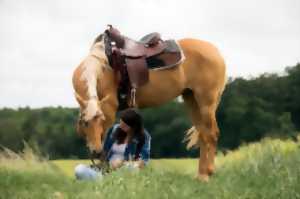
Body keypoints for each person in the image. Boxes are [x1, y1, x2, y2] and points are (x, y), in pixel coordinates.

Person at [75, 108, 151, 180]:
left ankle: (106, 180)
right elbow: (104, 153)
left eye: (124, 125)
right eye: (121, 122)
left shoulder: (144, 137)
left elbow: (143, 162)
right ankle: (104, 179)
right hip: (107, 169)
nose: (120, 126)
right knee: (79, 169)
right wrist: (96, 150)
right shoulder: (115, 129)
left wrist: (122, 163)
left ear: (134, 126)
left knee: (130, 169)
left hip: (125, 170)